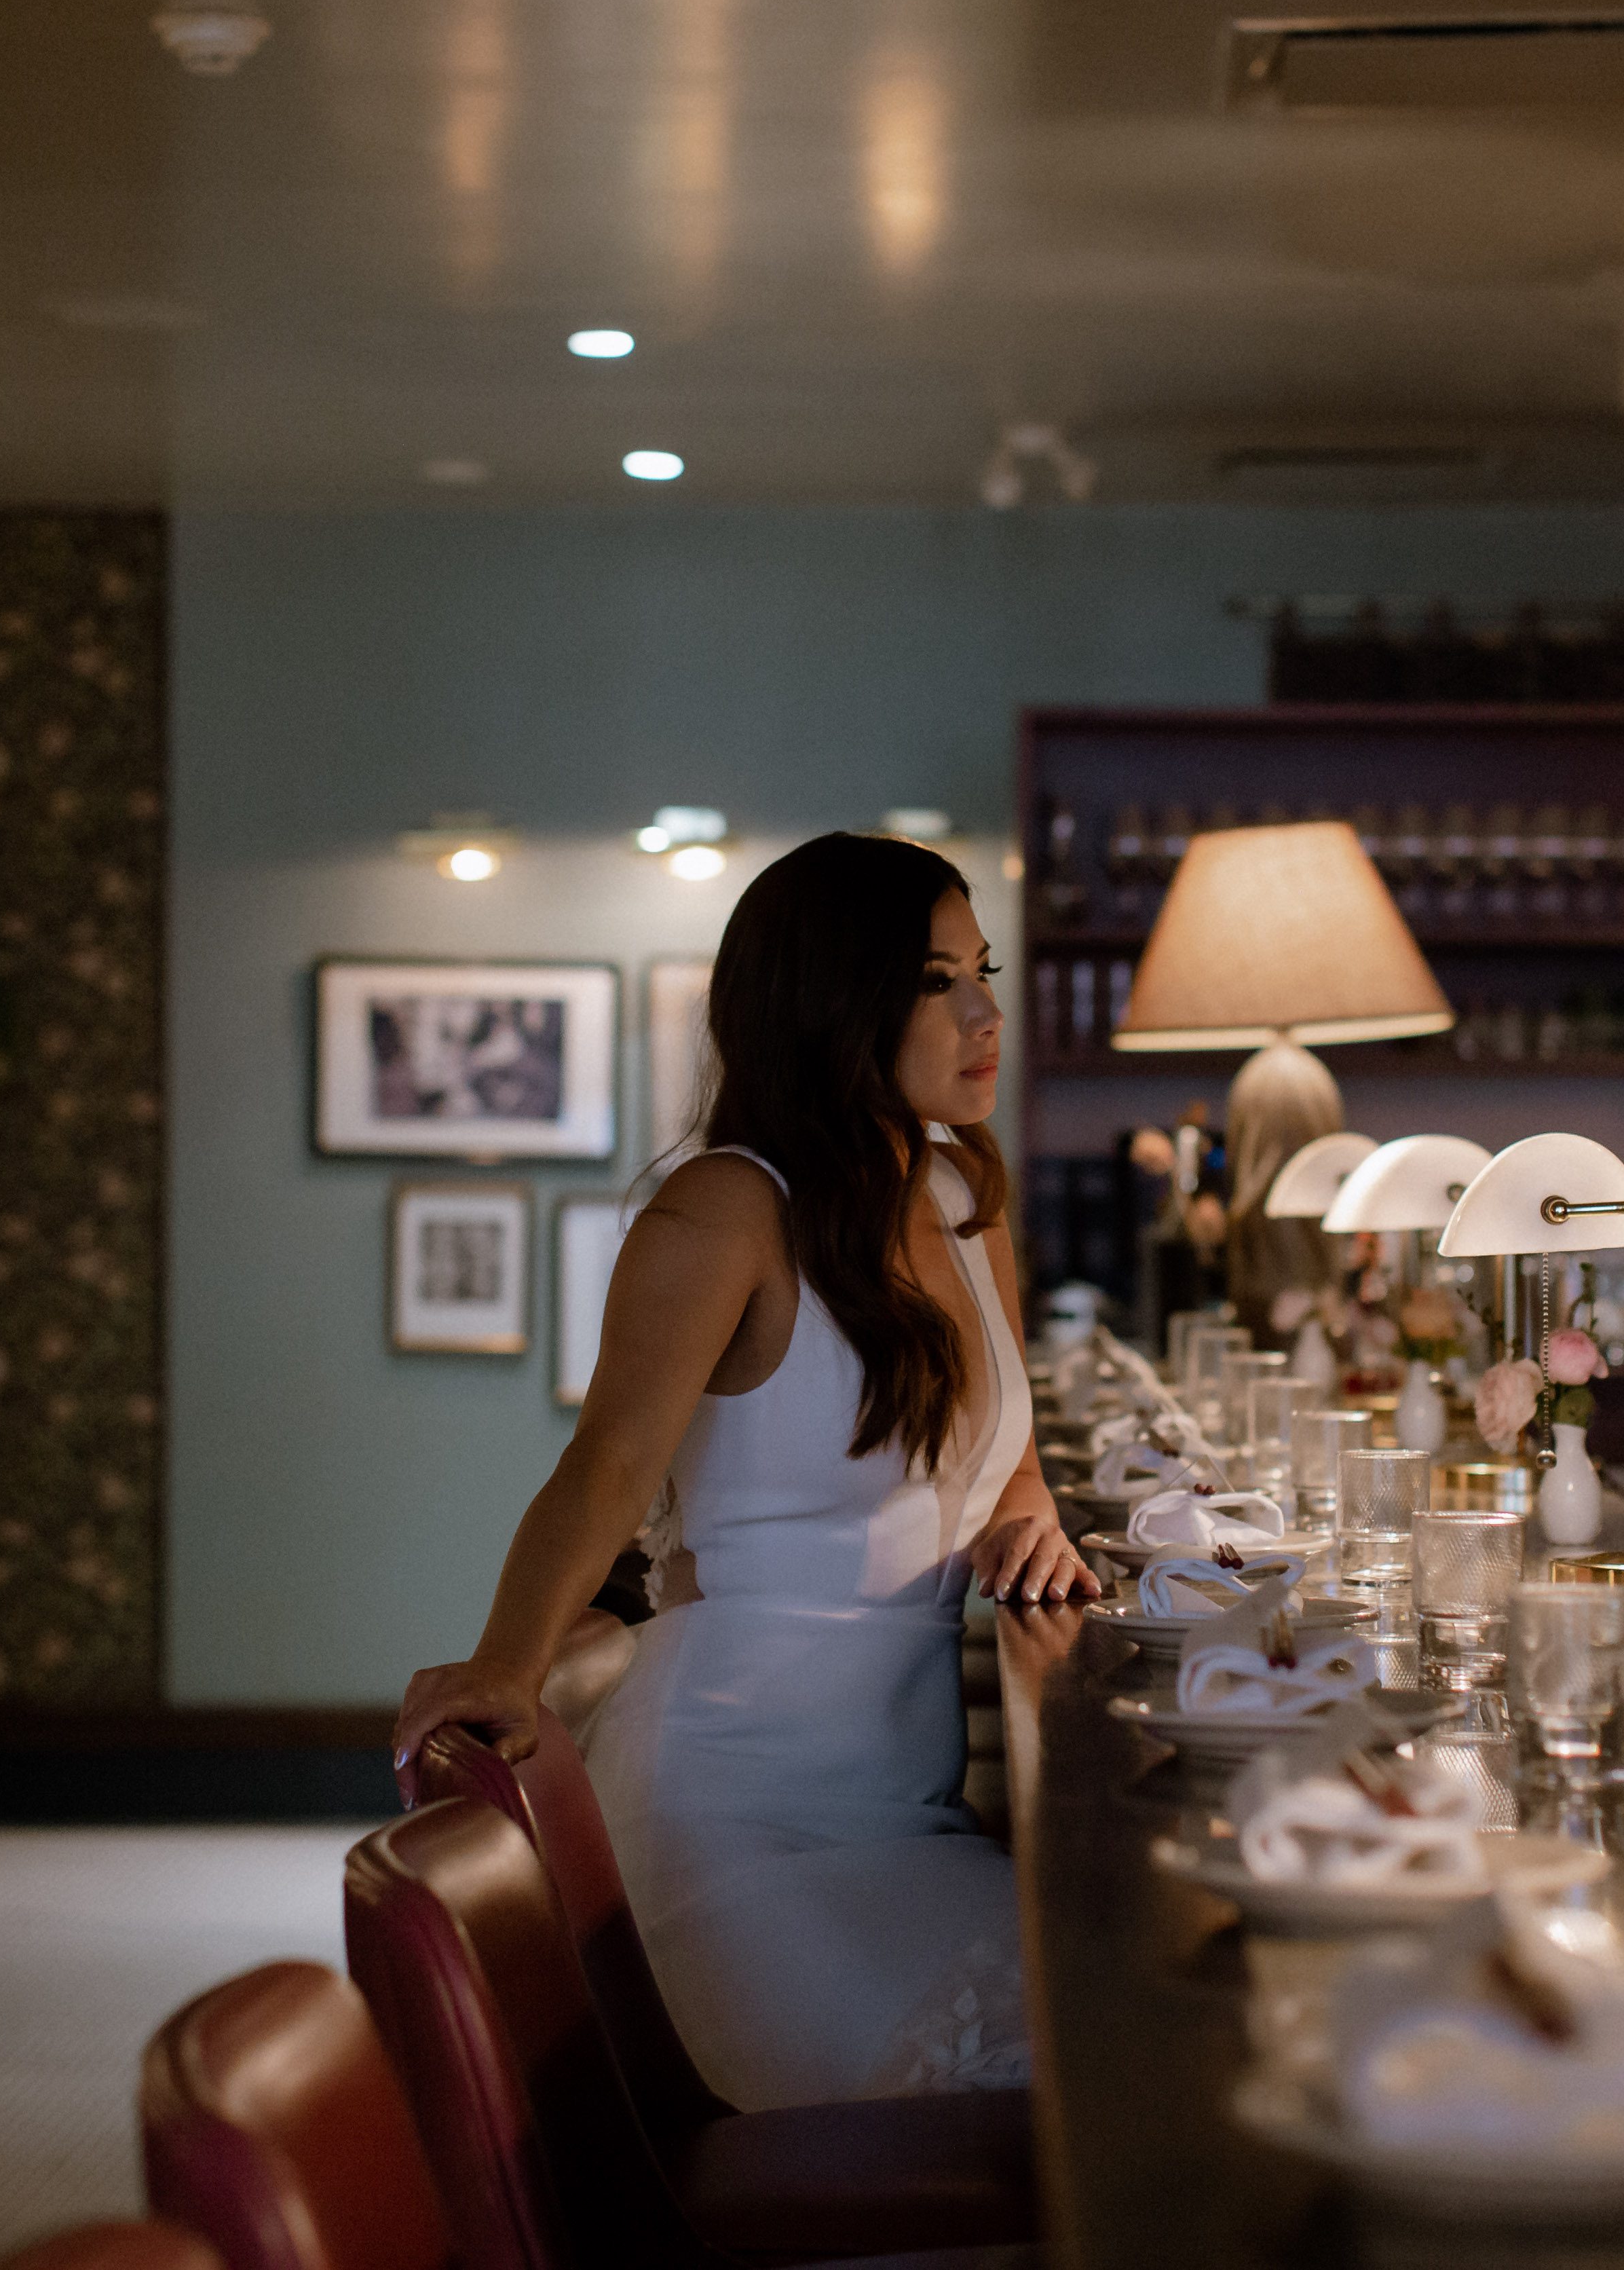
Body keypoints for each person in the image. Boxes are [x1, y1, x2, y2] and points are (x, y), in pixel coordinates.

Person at [390, 832, 1096, 2107]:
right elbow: (605, 1468)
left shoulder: (960, 1193)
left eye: (982, 971)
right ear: (836, 999)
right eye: (940, 981)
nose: (989, 1011)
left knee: (1132, 2029)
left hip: (908, 1814)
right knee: (1060, 2090)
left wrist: (1034, 1520)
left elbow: (1014, 1456)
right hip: (737, 1820)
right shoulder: (725, 1207)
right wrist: (505, 1661)